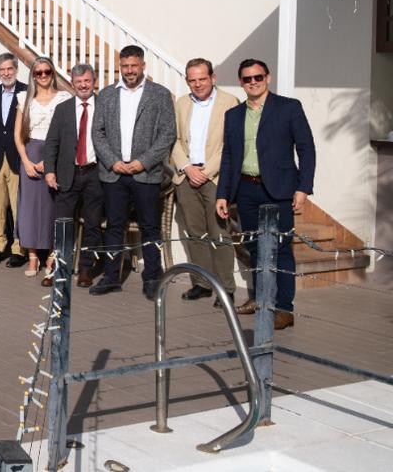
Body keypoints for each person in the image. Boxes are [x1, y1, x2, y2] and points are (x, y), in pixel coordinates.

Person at [216, 59, 315, 330]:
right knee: (254, 248)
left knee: (281, 250)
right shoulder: (233, 115)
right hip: (246, 190)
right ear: (241, 82)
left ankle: (284, 309)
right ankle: (261, 300)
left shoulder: (289, 108)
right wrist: (223, 193)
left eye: (258, 77)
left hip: (280, 189)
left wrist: (303, 187)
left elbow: (306, 149)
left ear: (267, 78)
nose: (253, 82)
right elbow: (228, 157)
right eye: (247, 79)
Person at [90, 45, 177, 300]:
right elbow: (98, 132)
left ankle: (152, 277)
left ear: (142, 66)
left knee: (150, 227)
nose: (129, 71)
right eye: (125, 66)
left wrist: (144, 161)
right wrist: (112, 161)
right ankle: (110, 276)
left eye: (134, 66)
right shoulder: (106, 95)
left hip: (145, 173)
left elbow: (167, 134)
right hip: (114, 173)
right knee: (114, 226)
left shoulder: (159, 95)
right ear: (120, 66)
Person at [172, 58, 240, 305]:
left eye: (202, 78)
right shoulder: (181, 104)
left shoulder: (229, 103)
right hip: (186, 176)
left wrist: (206, 171)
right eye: (192, 80)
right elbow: (175, 140)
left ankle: (226, 288)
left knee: (219, 234)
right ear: (187, 81)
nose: (198, 84)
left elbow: (230, 145)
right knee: (195, 234)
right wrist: (187, 168)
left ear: (213, 77)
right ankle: (201, 283)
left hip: (215, 178)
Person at [44, 64, 104, 288]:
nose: (83, 85)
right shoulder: (63, 109)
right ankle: (58, 268)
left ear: (94, 81)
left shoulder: (104, 106)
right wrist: (49, 170)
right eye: (78, 82)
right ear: (72, 83)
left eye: (87, 81)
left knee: (92, 224)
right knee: (62, 224)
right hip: (67, 174)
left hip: (95, 174)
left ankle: (86, 269)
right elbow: (52, 142)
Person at [13, 57, 73, 279]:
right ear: (33, 75)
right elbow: (18, 135)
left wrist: (50, 162)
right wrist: (26, 161)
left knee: (50, 208)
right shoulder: (24, 98)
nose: (43, 76)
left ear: (52, 73)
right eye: (38, 73)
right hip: (30, 155)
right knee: (28, 208)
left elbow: (67, 134)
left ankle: (50, 255)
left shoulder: (64, 98)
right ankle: (32, 256)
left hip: (54, 156)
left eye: (47, 71)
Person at [0, 53, 27, 267]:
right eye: (2, 70)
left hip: (17, 158)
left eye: (9, 69)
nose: (6, 73)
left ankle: (19, 248)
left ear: (16, 69)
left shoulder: (27, 92)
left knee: (19, 208)